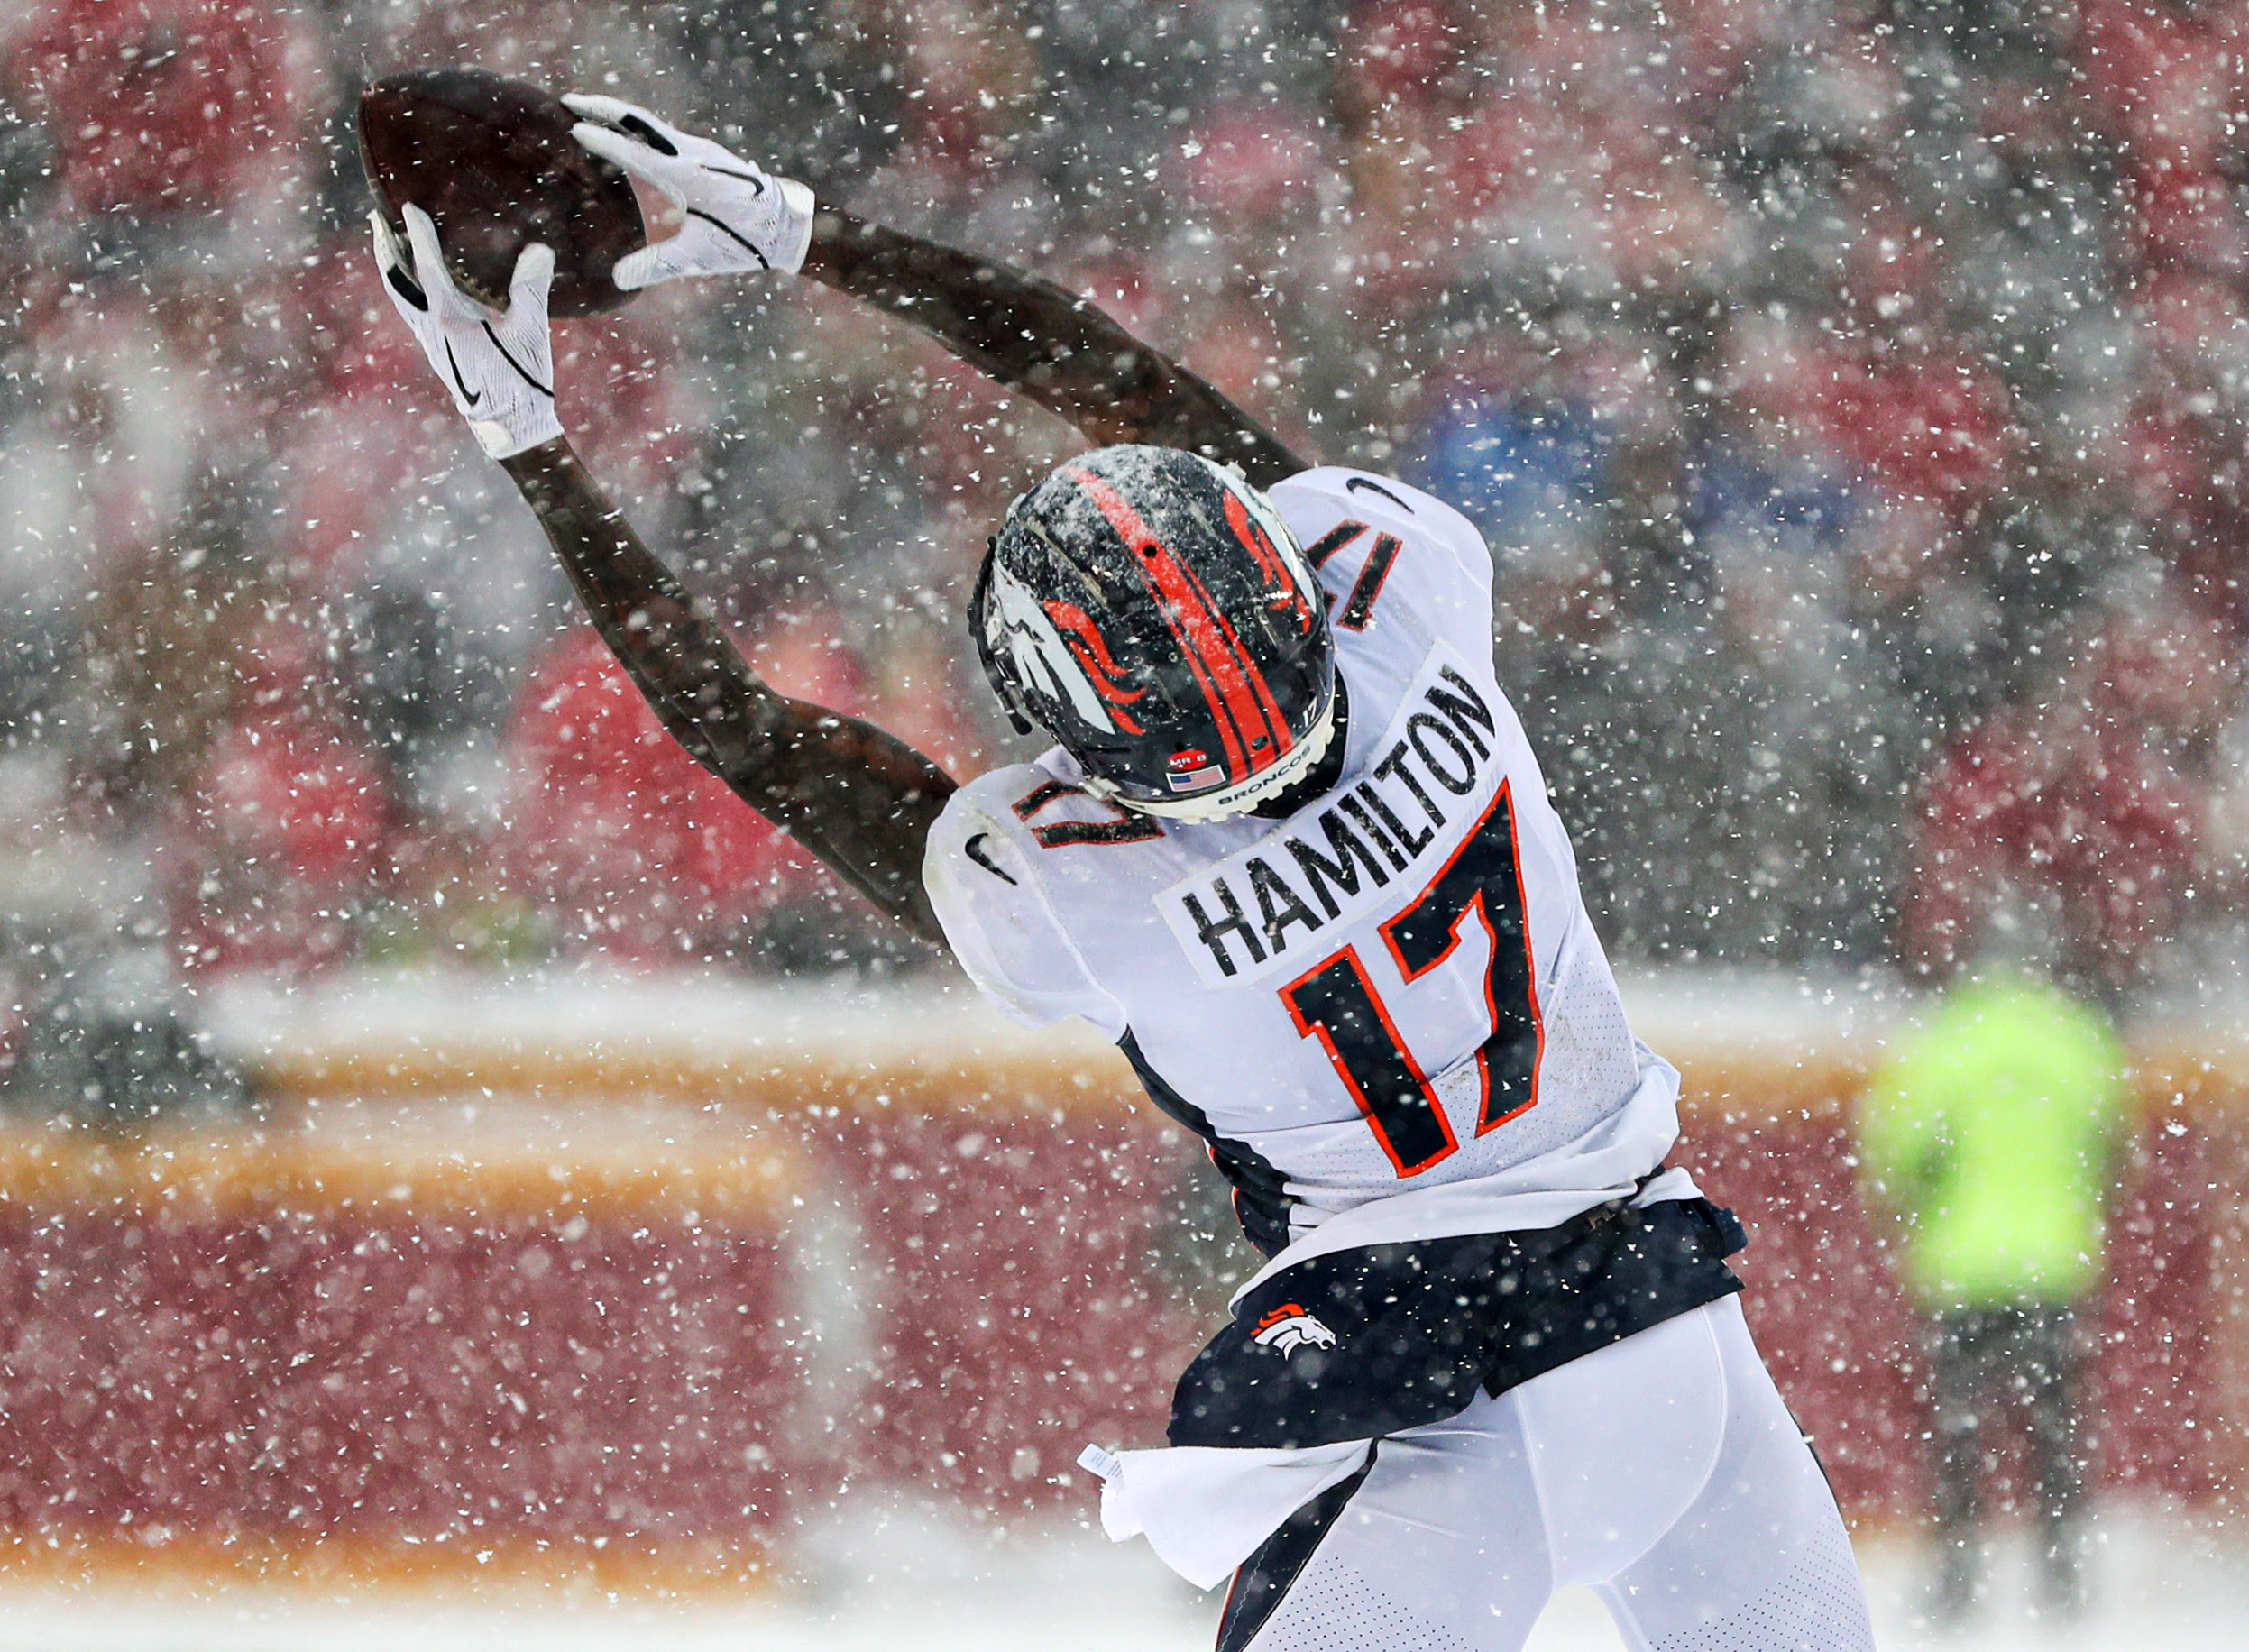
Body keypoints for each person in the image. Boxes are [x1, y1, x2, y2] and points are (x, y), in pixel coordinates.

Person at [366, 95, 1876, 1652]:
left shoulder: (1088, 890)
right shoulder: (1403, 594)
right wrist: (818, 234)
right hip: (1661, 1319)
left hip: (1435, 1392)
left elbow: (757, 739)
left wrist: (535, 451)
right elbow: (1121, 387)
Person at [1859, 961, 2128, 1621]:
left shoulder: (1947, 1043)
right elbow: (2111, 1147)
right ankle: (2063, 1578)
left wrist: (1911, 1215)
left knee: (1959, 1437)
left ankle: (1956, 1578)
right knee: (2056, 1433)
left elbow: (1898, 1151)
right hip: (2053, 1263)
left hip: (1960, 1267)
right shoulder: (2077, 1039)